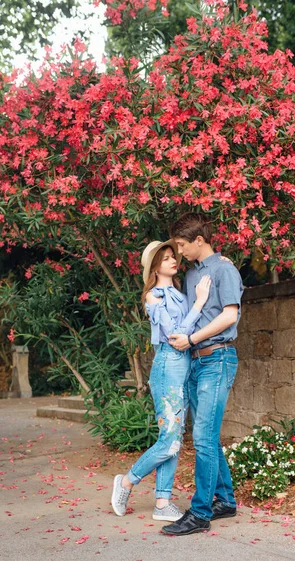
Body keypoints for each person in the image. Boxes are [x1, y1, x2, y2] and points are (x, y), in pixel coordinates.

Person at [111, 239, 211, 522]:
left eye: (172, 256)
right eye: (165, 258)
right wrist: (201, 302)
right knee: (169, 440)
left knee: (175, 439)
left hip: (184, 368)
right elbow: (176, 336)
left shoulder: (178, 292)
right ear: (154, 266)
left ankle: (162, 502)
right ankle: (127, 481)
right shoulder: (153, 297)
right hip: (168, 367)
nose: (172, 260)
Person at [162, 212, 243, 536]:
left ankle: (200, 513)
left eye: (182, 245)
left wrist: (193, 339)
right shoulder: (194, 273)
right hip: (196, 360)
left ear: (199, 240)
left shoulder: (224, 269)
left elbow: (229, 316)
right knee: (207, 435)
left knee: (203, 438)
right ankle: (224, 500)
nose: (179, 251)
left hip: (217, 358)